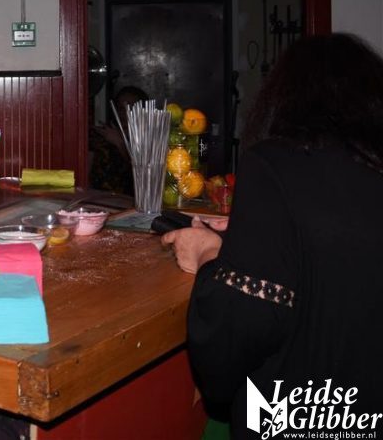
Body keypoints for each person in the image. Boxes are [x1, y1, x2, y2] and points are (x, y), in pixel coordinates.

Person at [162, 33, 383, 438]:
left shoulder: (273, 164)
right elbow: (337, 250)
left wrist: (210, 257)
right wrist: (250, 232)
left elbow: (236, 331)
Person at [88, 85, 148, 194]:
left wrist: (119, 142)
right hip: (98, 198)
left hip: (129, 199)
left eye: (130, 108)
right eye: (120, 108)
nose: (124, 112)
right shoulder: (105, 134)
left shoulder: (146, 139)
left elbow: (143, 175)